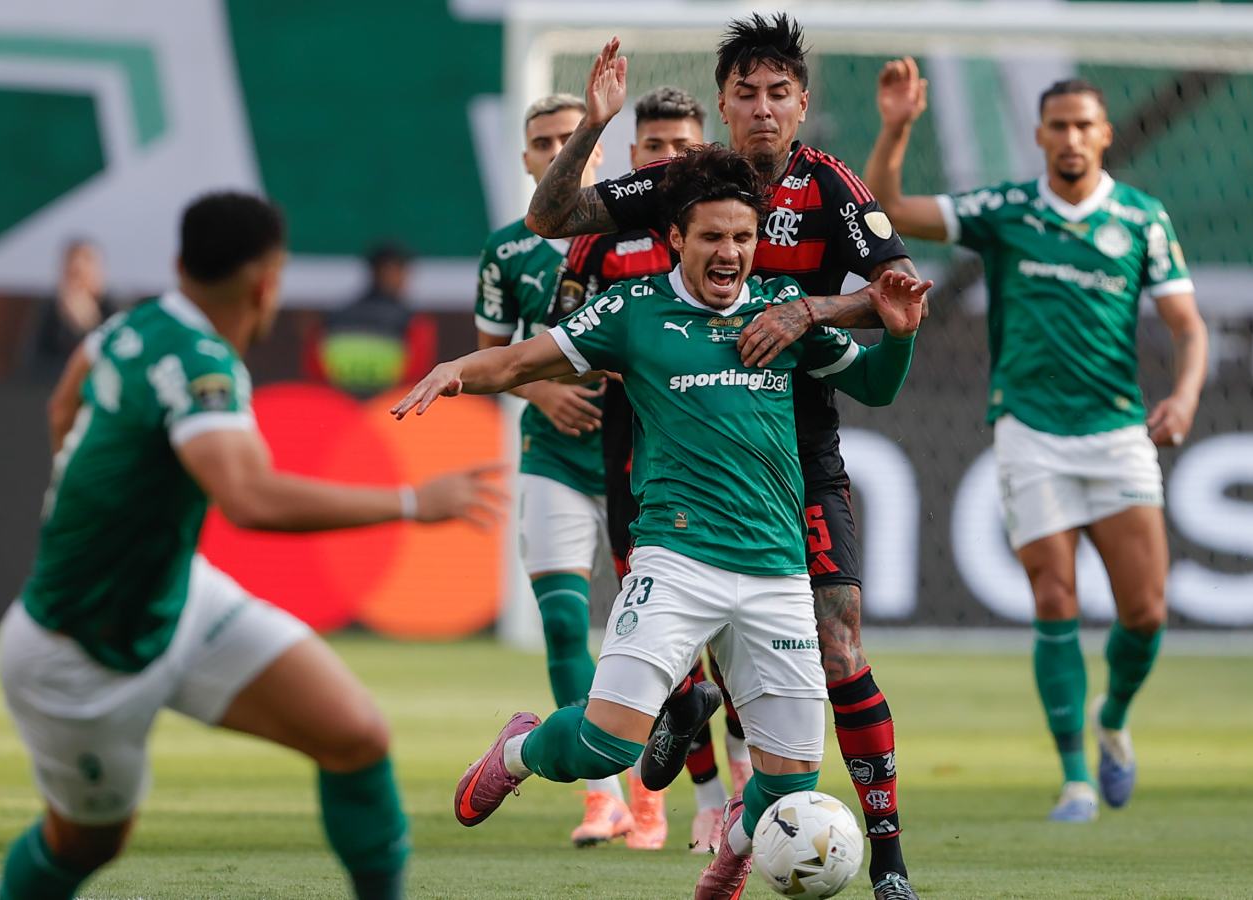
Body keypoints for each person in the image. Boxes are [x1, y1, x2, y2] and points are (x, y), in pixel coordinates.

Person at [394, 144, 928, 900]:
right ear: (677, 237)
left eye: (743, 237)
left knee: (793, 781)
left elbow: (873, 385)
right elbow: (522, 362)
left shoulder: (781, 312)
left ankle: (730, 859)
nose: (730, 253)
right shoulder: (634, 309)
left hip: (777, 573)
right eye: (712, 236)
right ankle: (517, 752)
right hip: (678, 561)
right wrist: (456, 371)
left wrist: (899, 335)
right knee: (606, 744)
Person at [0, 192, 505, 900]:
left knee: (355, 737)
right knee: (85, 843)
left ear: (180, 264)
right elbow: (250, 498)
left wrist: (94, 502)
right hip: (79, 650)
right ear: (269, 281)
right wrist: (414, 502)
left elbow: (63, 403)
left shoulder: (131, 325)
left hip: (175, 593)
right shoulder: (206, 366)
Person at [525, 18, 923, 896]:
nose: (763, 109)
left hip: (795, 446)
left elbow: (896, 293)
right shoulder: (686, 182)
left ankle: (887, 857)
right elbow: (552, 217)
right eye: (746, 93)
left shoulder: (832, 190)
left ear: (803, 104)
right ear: (724, 105)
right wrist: (592, 126)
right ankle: (671, 721)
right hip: (667, 436)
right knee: (666, 617)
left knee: (840, 640)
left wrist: (811, 313)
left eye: (779, 92)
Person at [865, 62, 1208, 823]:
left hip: (1118, 432)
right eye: (1059, 126)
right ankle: (1075, 778)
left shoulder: (1143, 219)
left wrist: (1182, 397)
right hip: (1029, 432)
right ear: (1039, 136)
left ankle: (1112, 716)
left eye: (1086, 125)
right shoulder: (1007, 209)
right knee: (1055, 597)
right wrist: (895, 130)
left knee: (1145, 612)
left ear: (1105, 134)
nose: (1072, 138)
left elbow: (1188, 328)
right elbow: (889, 207)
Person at [556, 83, 751, 854]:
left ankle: (742, 787)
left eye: (683, 147)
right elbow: (565, 337)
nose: (669, 158)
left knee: (740, 643)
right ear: (636, 159)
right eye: (655, 148)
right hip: (632, 460)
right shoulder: (600, 243)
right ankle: (705, 800)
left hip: (731, 462)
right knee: (668, 650)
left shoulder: (733, 233)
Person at [475, 92, 663, 847]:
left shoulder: (640, 234)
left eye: (571, 138)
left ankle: (657, 798)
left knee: (651, 635)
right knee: (559, 621)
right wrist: (543, 390)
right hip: (552, 455)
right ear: (526, 158)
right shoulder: (507, 249)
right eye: (542, 141)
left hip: (639, 456)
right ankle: (602, 796)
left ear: (599, 153)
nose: (558, 150)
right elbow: (492, 350)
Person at [312, 240, 436, 398]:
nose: (405, 278)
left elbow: (316, 370)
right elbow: (417, 374)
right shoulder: (413, 322)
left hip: (340, 405)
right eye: (401, 271)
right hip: (389, 408)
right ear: (385, 271)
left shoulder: (335, 317)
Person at [26, 239, 111, 382]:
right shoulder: (49, 310)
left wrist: (89, 323)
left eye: (83, 273)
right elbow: (34, 362)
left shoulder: (112, 309)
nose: (78, 282)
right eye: (73, 274)